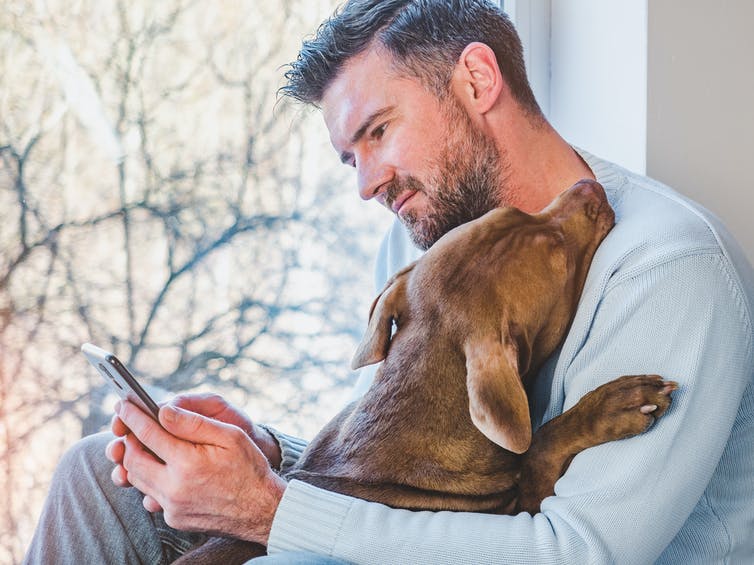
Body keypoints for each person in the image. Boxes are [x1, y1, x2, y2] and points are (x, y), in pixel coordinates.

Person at [25, 0, 754, 563]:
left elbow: (576, 551)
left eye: (377, 131)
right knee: (100, 477)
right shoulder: (427, 250)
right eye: (351, 158)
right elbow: (407, 480)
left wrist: (270, 510)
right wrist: (269, 456)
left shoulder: (664, 271)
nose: (369, 183)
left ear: (477, 79)